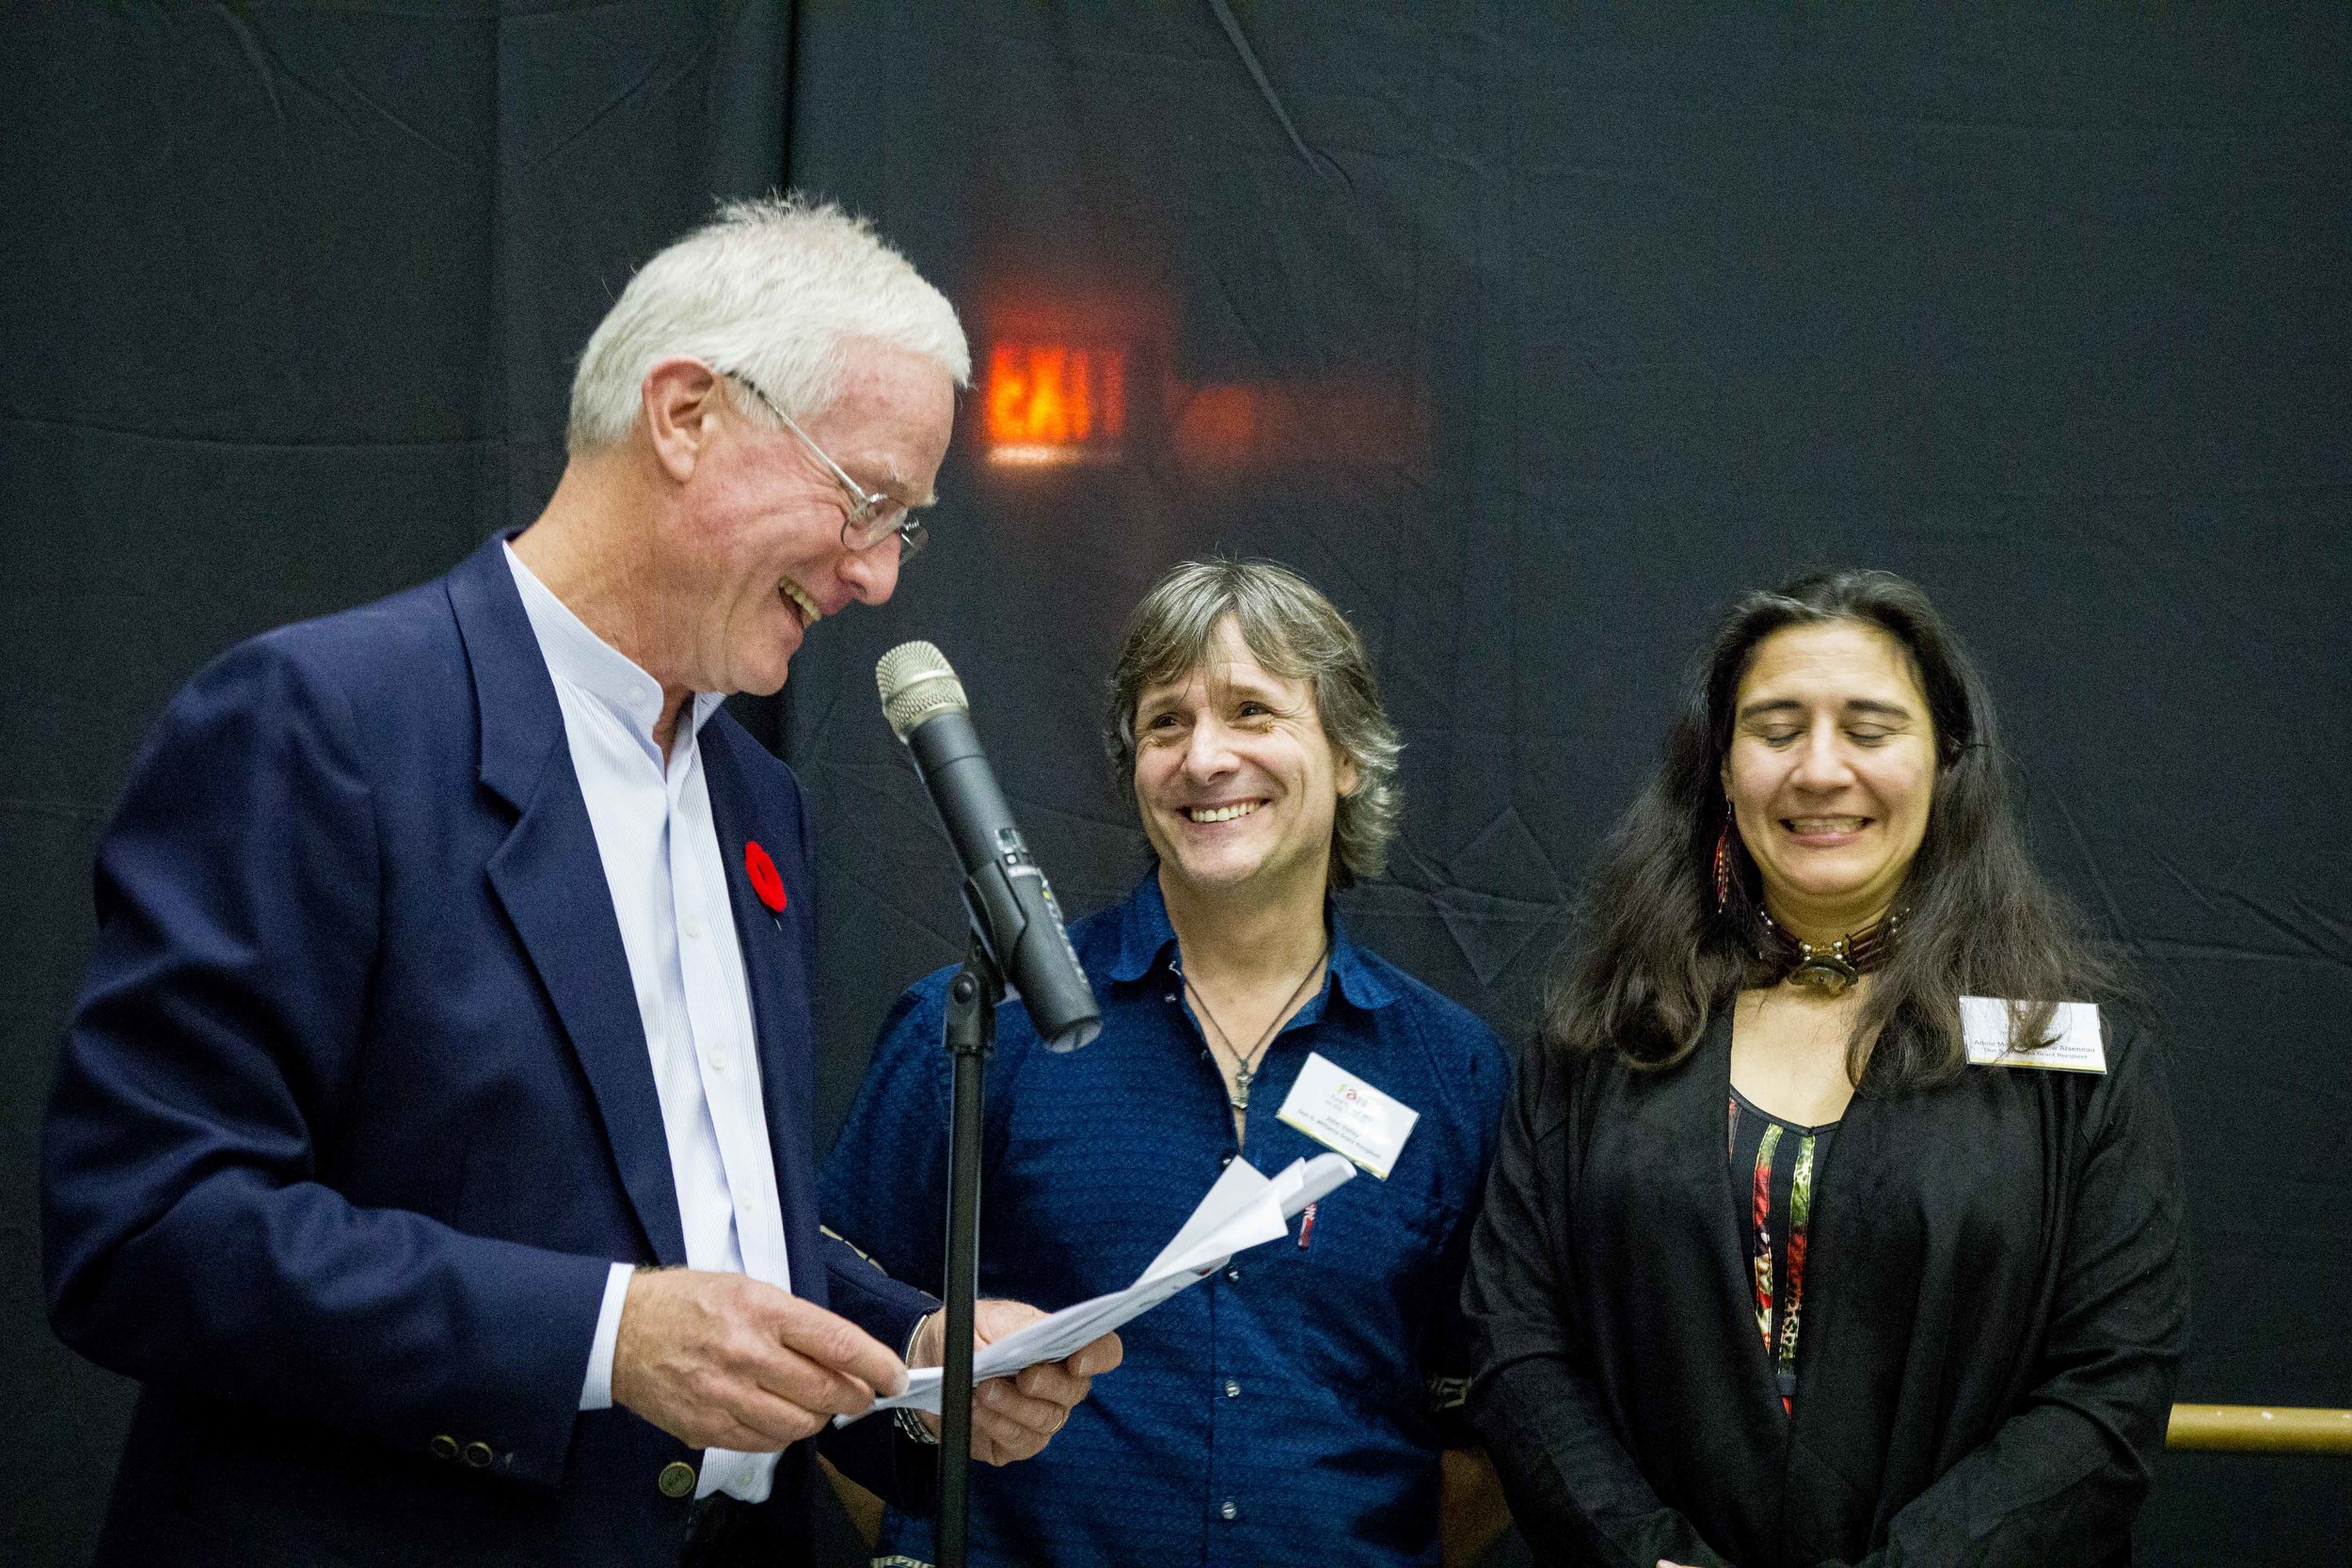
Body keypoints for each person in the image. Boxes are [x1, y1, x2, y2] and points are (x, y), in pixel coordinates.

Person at [41, 196, 1116, 1568]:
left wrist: (911, 1346)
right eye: (863, 501)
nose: (877, 576)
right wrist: (609, 1336)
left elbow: (698, 1221)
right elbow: (144, 1227)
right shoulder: (325, 726)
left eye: (909, 525)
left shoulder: (754, 799)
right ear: (684, 416)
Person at [1462, 567, 2188, 1568]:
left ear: (1945, 759)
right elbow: (1518, 1346)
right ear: (1720, 766)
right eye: (1775, 727)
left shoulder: (2069, 1052)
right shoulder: (1599, 1039)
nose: (1819, 768)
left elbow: (2109, 1386)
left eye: (1869, 727)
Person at [822, 558, 1517, 1567]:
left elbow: (1493, 1422)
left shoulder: (1448, 1068)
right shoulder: (979, 1027)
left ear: (1351, 755)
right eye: (1164, 723)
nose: (1204, 758)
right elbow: (819, 1321)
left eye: (1251, 711)